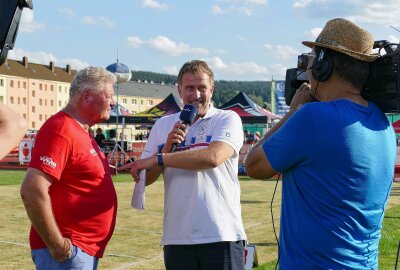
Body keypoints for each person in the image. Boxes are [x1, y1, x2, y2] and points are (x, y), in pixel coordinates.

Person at [245, 18, 396, 269]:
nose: (307, 67)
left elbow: (253, 165)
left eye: (311, 59)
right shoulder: (383, 125)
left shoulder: (313, 117)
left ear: (325, 64)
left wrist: (293, 112)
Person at [119, 60, 247, 269]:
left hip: (221, 234)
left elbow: (213, 158)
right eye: (189, 88)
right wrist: (166, 149)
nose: (196, 94)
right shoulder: (163, 125)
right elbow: (147, 178)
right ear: (179, 90)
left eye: (202, 88)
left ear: (211, 89)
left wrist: (160, 158)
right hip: (177, 238)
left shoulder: (227, 119)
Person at [20, 67, 118, 270]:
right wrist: (59, 247)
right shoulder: (61, 128)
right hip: (66, 252)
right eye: (109, 95)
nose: (113, 102)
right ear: (87, 96)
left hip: (80, 251)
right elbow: (32, 190)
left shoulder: (81, 130)